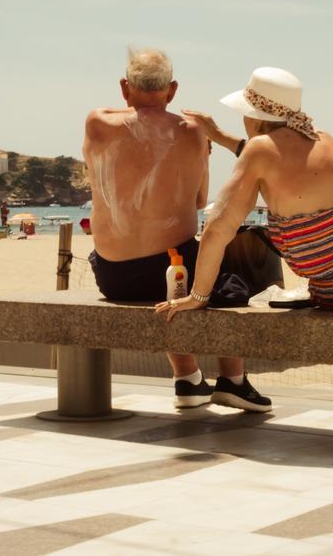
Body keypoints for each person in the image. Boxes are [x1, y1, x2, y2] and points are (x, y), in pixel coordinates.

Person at [160, 66, 333, 422]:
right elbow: (281, 159)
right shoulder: (322, 137)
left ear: (255, 116)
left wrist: (198, 296)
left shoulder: (258, 152)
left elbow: (217, 229)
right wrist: (222, 136)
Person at [85, 48, 267, 412]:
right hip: (172, 271)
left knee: (177, 272)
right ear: (172, 89)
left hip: (112, 274)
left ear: (125, 88)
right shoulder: (193, 131)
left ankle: (188, 378)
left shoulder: (97, 122)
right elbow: (200, 201)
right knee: (220, 278)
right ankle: (232, 379)